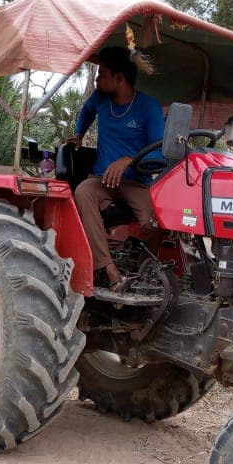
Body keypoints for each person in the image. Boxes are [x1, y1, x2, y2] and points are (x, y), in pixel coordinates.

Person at [70, 46, 165, 290]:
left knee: (156, 223)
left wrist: (129, 160)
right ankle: (110, 272)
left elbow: (160, 151)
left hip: (136, 182)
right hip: (101, 180)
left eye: (101, 74)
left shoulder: (148, 107)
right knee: (82, 192)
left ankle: (144, 275)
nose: (97, 79)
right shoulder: (99, 100)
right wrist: (79, 133)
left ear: (119, 78)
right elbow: (86, 111)